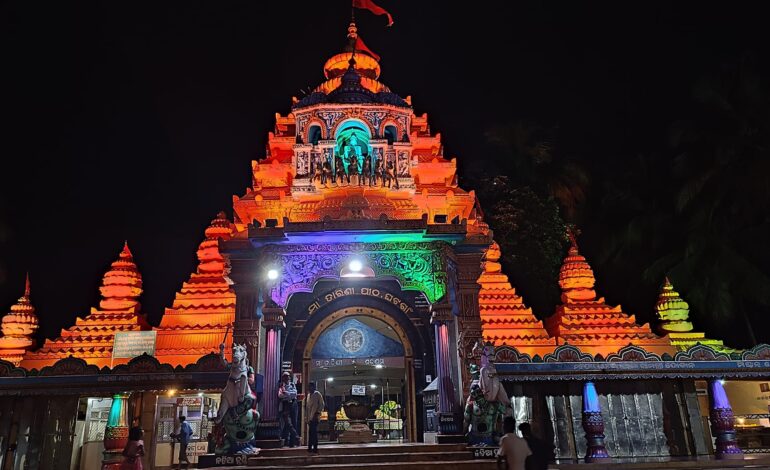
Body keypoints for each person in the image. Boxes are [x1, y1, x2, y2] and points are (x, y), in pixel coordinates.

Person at [278, 371, 299, 447]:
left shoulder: (292, 384)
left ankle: (292, 443)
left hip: (293, 404)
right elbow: (280, 395)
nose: (287, 378)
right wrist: (289, 394)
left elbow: (295, 394)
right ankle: (295, 436)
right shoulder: (281, 386)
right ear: (283, 378)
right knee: (288, 422)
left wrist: (286, 393)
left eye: (288, 376)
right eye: (285, 376)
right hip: (286, 405)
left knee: (294, 422)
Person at [305, 381, 325, 454]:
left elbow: (322, 405)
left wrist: (317, 413)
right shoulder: (308, 395)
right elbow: (307, 407)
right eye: (309, 386)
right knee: (310, 433)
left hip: (315, 417)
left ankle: (315, 448)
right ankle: (310, 448)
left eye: (311, 386)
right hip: (309, 417)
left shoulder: (317, 394)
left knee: (313, 432)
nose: (309, 388)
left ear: (314, 387)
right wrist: (307, 418)